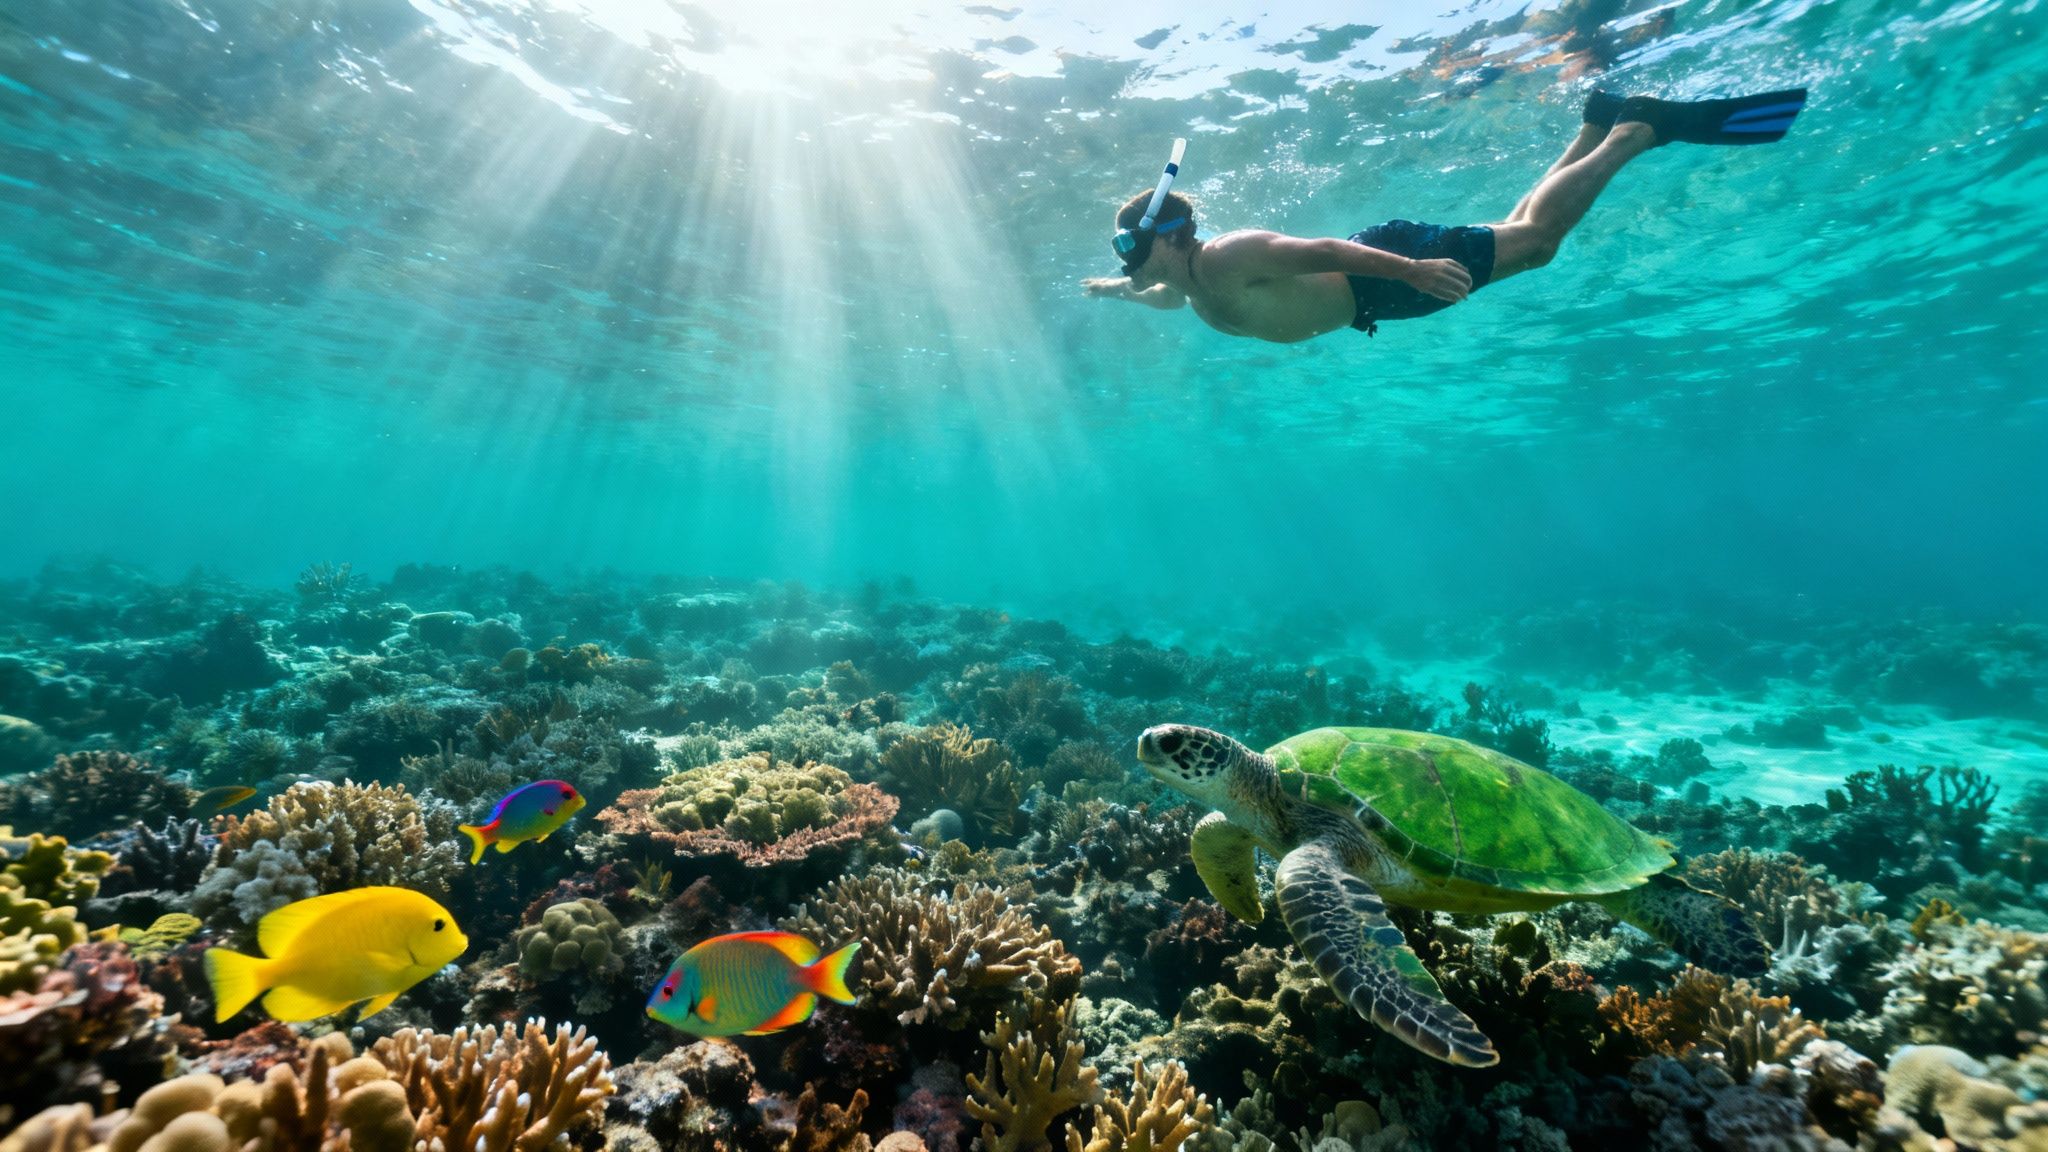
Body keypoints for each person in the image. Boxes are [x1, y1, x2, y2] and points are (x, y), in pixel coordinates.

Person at [1082, 89, 1807, 343]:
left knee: (1537, 240)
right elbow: (1158, 295)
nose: (1125, 255)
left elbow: (1329, 246)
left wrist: (1416, 269)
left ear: (1168, 233)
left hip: (1384, 277)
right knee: (1532, 241)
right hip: (1379, 301)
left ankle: (1635, 130)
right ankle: (1594, 124)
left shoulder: (1232, 255)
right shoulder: (1186, 282)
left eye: (1128, 242)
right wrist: (1112, 290)